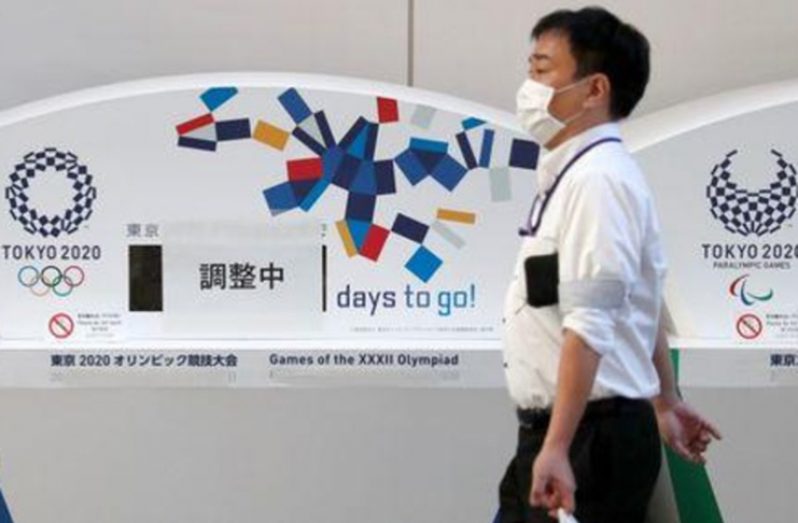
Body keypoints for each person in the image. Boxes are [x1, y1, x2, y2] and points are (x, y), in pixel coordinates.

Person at [498, 7, 721, 522]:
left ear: (594, 89)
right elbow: (638, 301)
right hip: (571, 435)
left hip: (587, 442)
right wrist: (665, 400)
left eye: (542, 69)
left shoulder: (598, 182)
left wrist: (557, 448)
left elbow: (592, 323)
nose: (528, 87)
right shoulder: (573, 175)